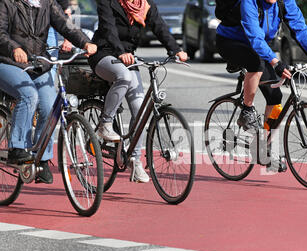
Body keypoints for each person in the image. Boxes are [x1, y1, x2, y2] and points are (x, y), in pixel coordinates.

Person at [215, 0, 307, 172]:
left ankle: (262, 148)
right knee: (256, 64)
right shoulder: (249, 2)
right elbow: (254, 36)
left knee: (275, 96)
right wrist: (276, 62)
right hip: (231, 42)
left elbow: (299, 27)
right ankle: (247, 110)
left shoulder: (285, 2)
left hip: (260, 46)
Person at [89, 0, 188, 183]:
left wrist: (175, 50)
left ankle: (135, 161)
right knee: (124, 77)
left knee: (140, 109)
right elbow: (108, 28)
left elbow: (160, 27)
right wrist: (119, 52)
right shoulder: (107, 2)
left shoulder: (145, 5)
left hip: (127, 58)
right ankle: (105, 123)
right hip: (104, 54)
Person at [0, 0, 97, 184]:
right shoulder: (7, 2)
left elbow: (65, 25)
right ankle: (17, 148)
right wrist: (14, 48)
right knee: (29, 95)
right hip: (7, 61)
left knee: (50, 106)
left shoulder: (46, 3)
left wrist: (85, 43)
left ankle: (41, 159)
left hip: (36, 63)